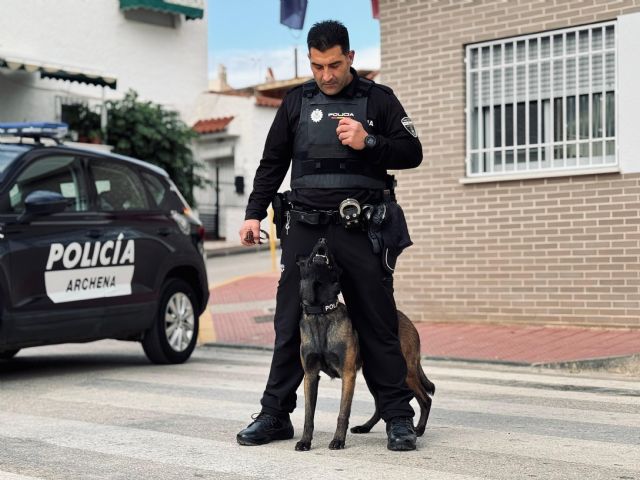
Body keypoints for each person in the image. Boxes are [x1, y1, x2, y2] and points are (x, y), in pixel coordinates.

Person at [236, 20, 423, 451]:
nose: (327, 75)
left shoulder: (379, 100)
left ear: (351, 58)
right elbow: (272, 163)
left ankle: (397, 417)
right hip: (305, 227)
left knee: (376, 319)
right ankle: (274, 414)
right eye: (318, 66)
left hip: (360, 228)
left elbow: (412, 151)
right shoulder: (296, 102)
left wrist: (370, 141)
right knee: (289, 320)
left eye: (335, 65)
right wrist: (252, 214)